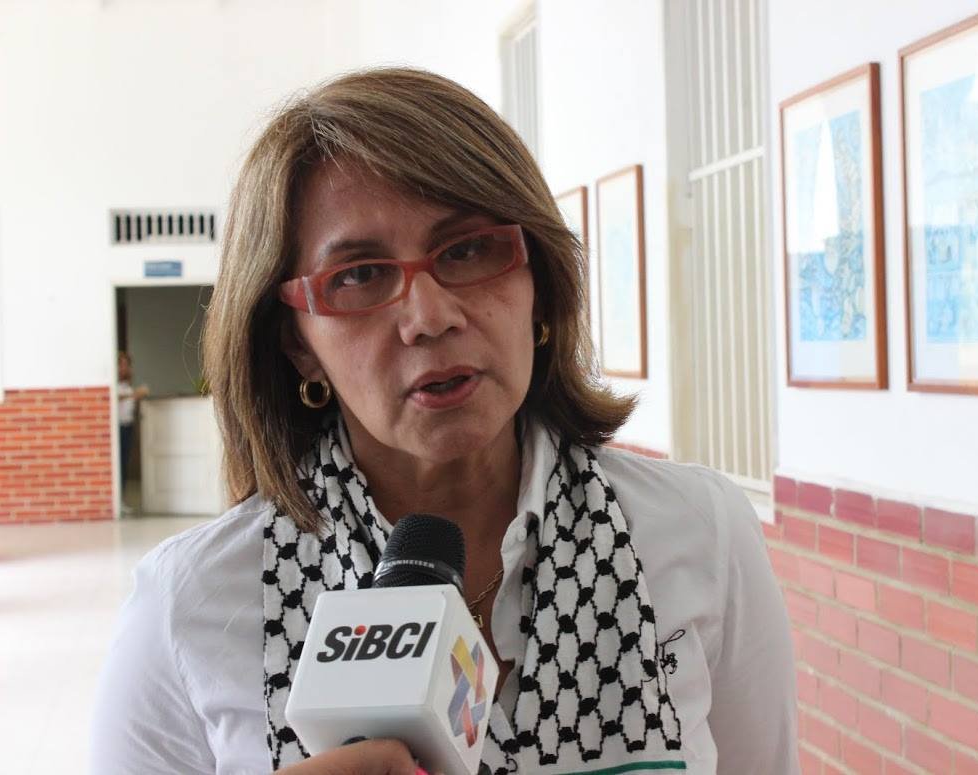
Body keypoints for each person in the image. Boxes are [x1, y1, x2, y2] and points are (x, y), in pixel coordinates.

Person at [90, 68, 798, 774]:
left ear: (539, 283)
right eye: (359, 275)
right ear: (298, 344)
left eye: (467, 250)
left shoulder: (697, 531)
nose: (429, 316)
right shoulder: (192, 605)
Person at [116, 350, 149, 510]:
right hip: (119, 428)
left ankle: (121, 499)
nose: (124, 368)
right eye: (121, 364)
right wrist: (135, 395)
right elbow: (116, 398)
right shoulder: (114, 384)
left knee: (124, 464)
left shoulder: (126, 384)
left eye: (127, 365)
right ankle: (118, 501)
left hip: (128, 426)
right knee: (119, 464)